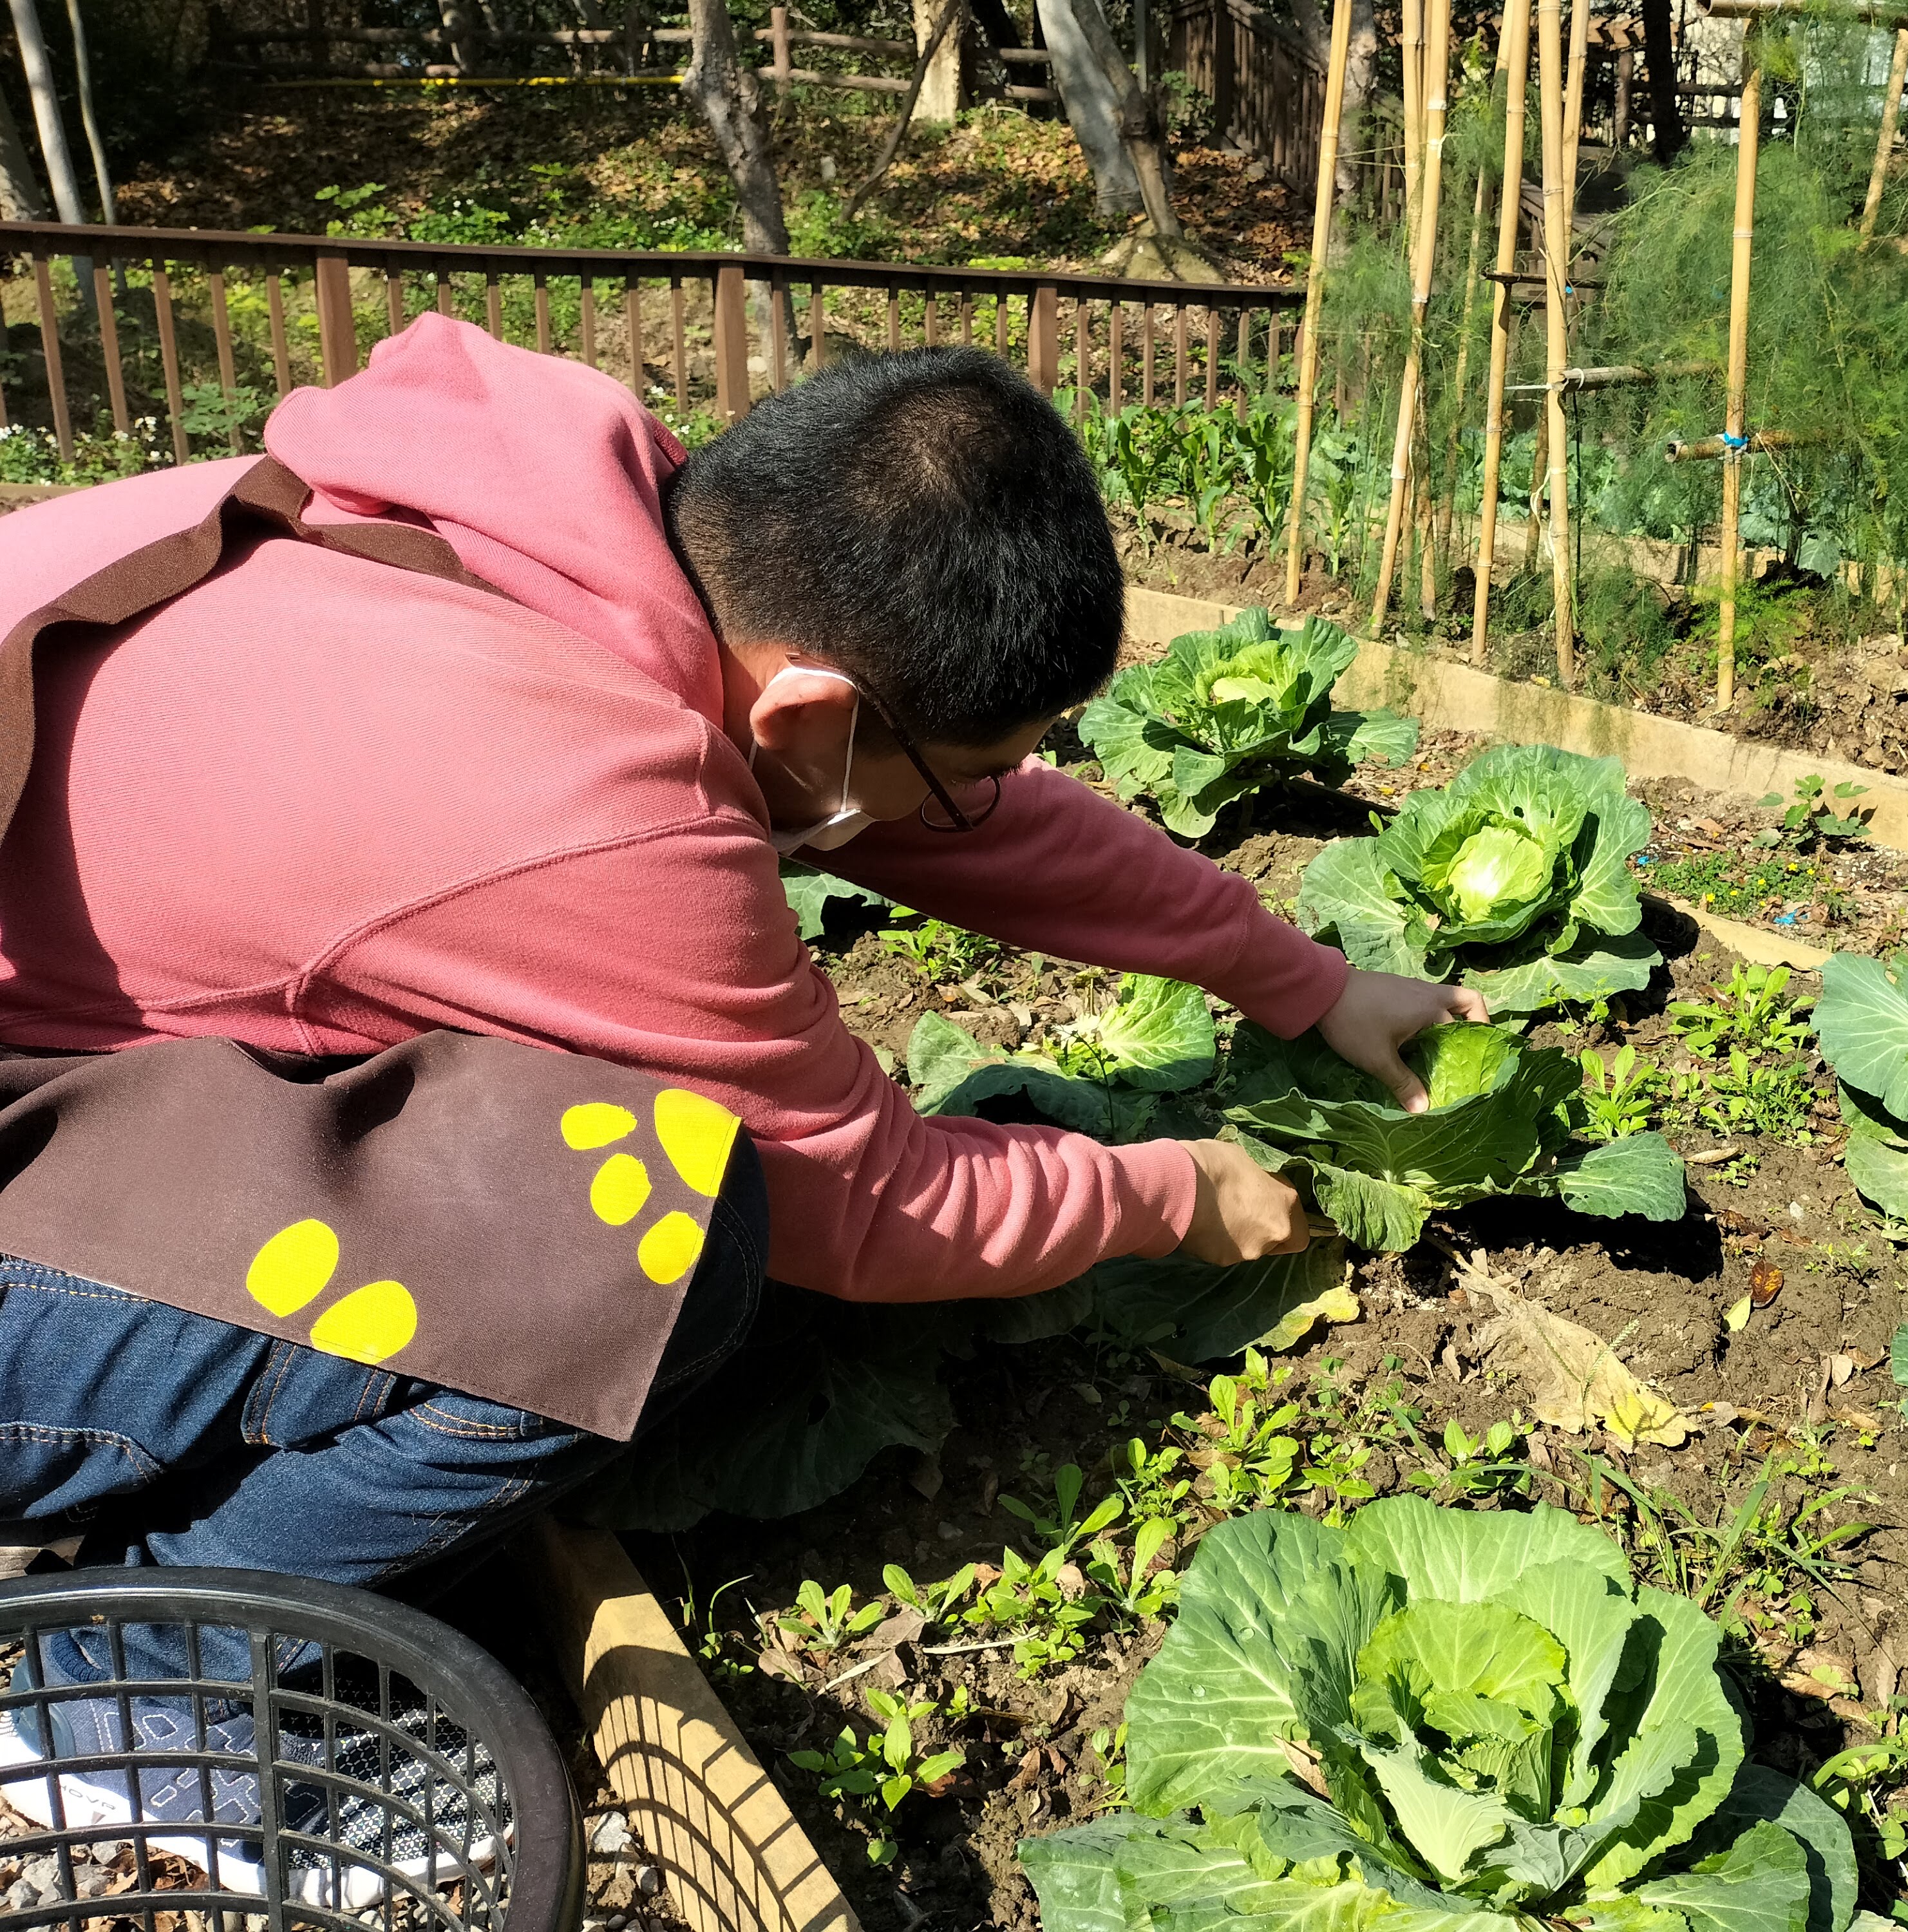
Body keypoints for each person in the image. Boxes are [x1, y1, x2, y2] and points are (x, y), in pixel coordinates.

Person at [0, 314, 1482, 1888]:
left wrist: (1297, 976)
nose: (979, 801)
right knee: (652, 1240)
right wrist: (1172, 1192)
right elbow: (875, 1201)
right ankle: (107, 1707)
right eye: (969, 763)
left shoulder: (533, 521)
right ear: (814, 715)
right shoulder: (578, 802)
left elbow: (938, 818)